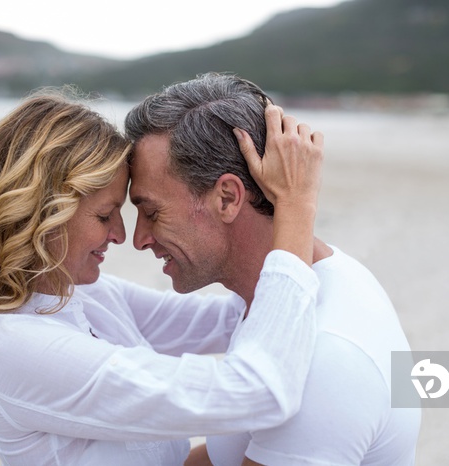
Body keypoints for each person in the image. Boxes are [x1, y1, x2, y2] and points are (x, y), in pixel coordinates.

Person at [0, 87, 324, 465]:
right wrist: (295, 206)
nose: (122, 236)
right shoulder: (15, 347)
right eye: (105, 214)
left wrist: (262, 211)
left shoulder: (85, 294)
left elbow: (233, 316)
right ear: (43, 216)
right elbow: (261, 392)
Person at [124, 72, 422, 466]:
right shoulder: (296, 289)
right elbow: (229, 455)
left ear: (227, 198)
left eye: (151, 211)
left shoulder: (326, 358)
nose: (139, 238)